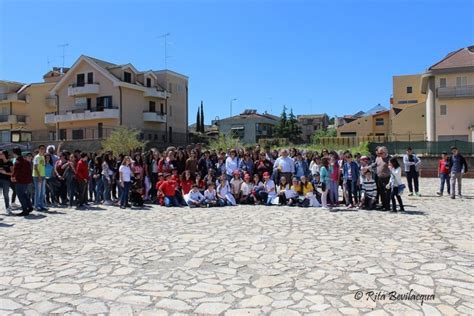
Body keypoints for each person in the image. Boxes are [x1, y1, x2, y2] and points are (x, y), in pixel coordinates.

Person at [11, 147, 33, 216]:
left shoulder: (17, 162)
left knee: (21, 195)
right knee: (24, 194)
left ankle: (25, 210)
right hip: (27, 181)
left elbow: (15, 171)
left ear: (14, 153)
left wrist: (12, 177)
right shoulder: (26, 161)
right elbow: (29, 170)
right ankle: (29, 207)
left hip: (20, 181)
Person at [371, 147, 391, 211]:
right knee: (381, 192)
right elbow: (374, 165)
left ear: (385, 152)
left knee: (387, 193)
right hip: (379, 178)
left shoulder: (390, 159)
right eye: (379, 153)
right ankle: (383, 205)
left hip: (387, 178)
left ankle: (387, 206)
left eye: (381, 153)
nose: (379, 154)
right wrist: (367, 167)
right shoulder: (378, 158)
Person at [32, 145, 47, 211]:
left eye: (43, 149)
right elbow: (35, 167)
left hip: (43, 176)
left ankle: (41, 205)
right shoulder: (36, 157)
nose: (42, 150)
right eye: (41, 149)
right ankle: (36, 206)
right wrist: (39, 176)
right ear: (39, 149)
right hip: (37, 176)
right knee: (38, 191)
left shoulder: (43, 157)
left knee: (43, 192)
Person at [0, 150, 13, 215]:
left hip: (6, 181)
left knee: (6, 195)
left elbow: (12, 173)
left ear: (4, 154)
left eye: (1, 154)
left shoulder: (9, 162)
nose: (0, 155)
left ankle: (7, 208)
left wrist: (5, 173)